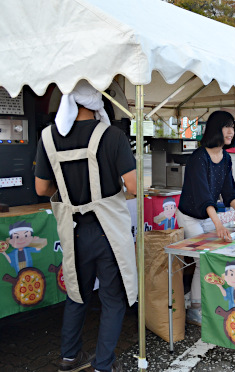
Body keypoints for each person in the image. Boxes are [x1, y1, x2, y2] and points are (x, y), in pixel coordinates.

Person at [35, 80, 138, 372]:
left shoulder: (47, 137)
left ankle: (69, 356)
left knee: (77, 293)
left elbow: (41, 188)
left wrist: (69, 183)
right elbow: (132, 185)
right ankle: (103, 364)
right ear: (95, 101)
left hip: (73, 231)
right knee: (112, 298)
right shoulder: (112, 136)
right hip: (108, 233)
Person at [176, 110, 235, 326]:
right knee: (204, 259)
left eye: (233, 127)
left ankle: (202, 300)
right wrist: (218, 224)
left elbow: (229, 191)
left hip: (208, 215)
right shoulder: (198, 158)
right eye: (226, 126)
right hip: (190, 216)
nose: (231, 131)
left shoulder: (226, 157)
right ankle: (195, 308)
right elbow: (203, 197)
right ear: (214, 129)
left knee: (217, 257)